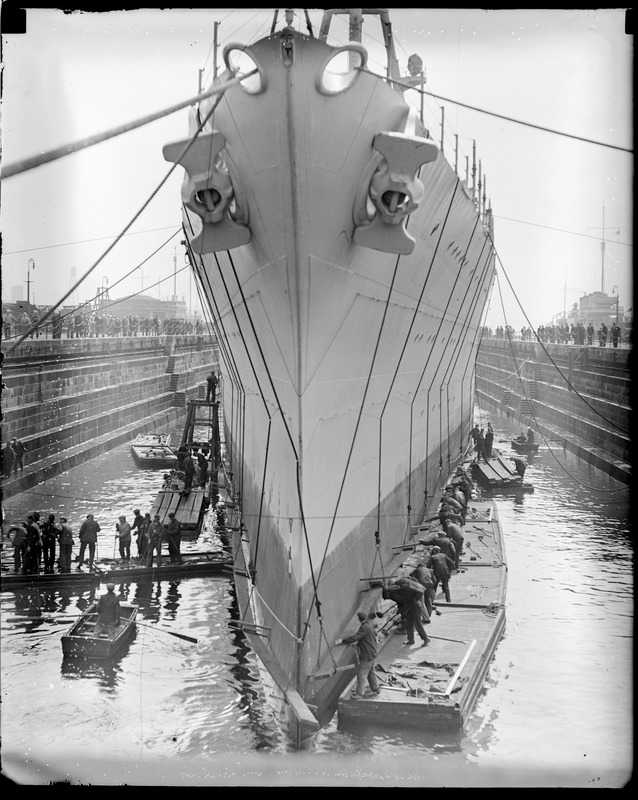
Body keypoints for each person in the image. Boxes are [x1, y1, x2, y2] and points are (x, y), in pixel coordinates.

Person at [335, 610, 381, 699]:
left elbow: (356, 637)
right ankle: (375, 689)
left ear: (359, 619)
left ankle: (359, 694)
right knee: (370, 671)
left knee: (361, 674)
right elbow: (366, 639)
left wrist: (342, 641)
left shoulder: (364, 627)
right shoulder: (369, 625)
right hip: (372, 652)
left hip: (367, 655)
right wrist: (357, 644)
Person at [395, 576, 430, 645]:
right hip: (409, 609)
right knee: (409, 624)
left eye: (400, 585)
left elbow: (420, 592)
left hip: (416, 608)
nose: (399, 587)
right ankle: (410, 640)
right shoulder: (404, 590)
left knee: (417, 624)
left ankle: (426, 638)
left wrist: (415, 599)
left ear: (404, 584)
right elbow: (405, 601)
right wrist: (401, 610)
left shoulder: (410, 588)